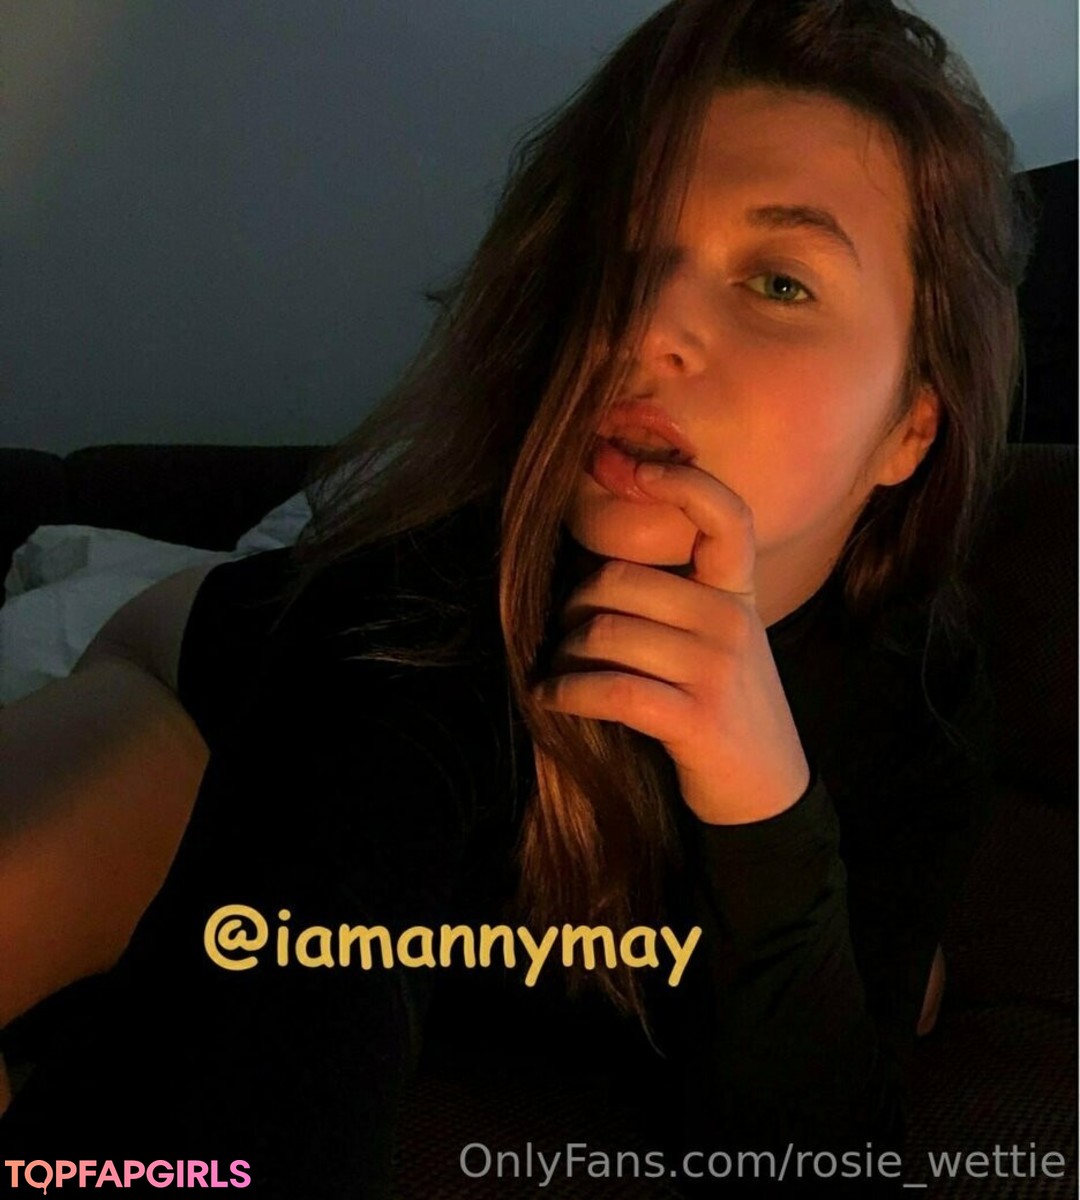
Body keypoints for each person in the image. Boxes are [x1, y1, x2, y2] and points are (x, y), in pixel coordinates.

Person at [0, 0, 1035, 1195]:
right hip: (192, 690)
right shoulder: (410, 640)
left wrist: (765, 811)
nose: (642, 329)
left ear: (911, 427)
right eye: (624, 258)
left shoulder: (921, 694)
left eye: (779, 283)